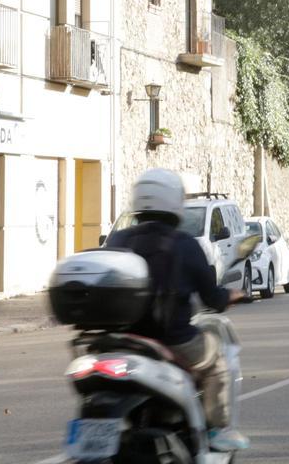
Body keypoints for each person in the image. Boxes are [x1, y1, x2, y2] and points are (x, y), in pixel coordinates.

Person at [105, 168, 248, 453]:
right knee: (218, 360)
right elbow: (213, 299)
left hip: (121, 341)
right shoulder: (184, 244)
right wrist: (233, 295)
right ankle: (216, 430)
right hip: (173, 340)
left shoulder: (117, 240)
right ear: (173, 201)